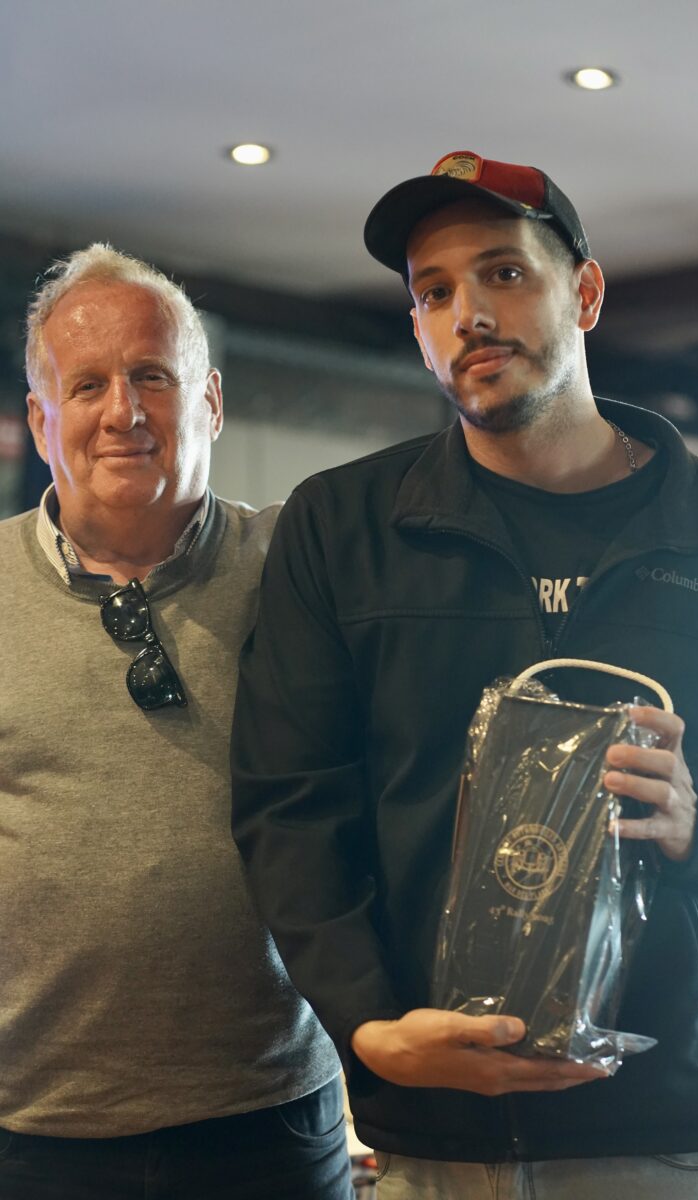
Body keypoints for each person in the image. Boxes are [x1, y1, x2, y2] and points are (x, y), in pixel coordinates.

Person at [230, 151, 698, 1200]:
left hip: (682, 1123)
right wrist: (368, 1026)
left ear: (583, 293)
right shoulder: (342, 526)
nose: (469, 316)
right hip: (435, 1127)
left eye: (503, 273)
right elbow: (289, 804)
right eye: (433, 293)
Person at [0, 244, 353, 1200]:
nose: (123, 411)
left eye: (152, 376)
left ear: (211, 401)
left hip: (272, 1119)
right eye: (87, 385)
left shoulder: (301, 567)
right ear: (41, 419)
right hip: (33, 1133)